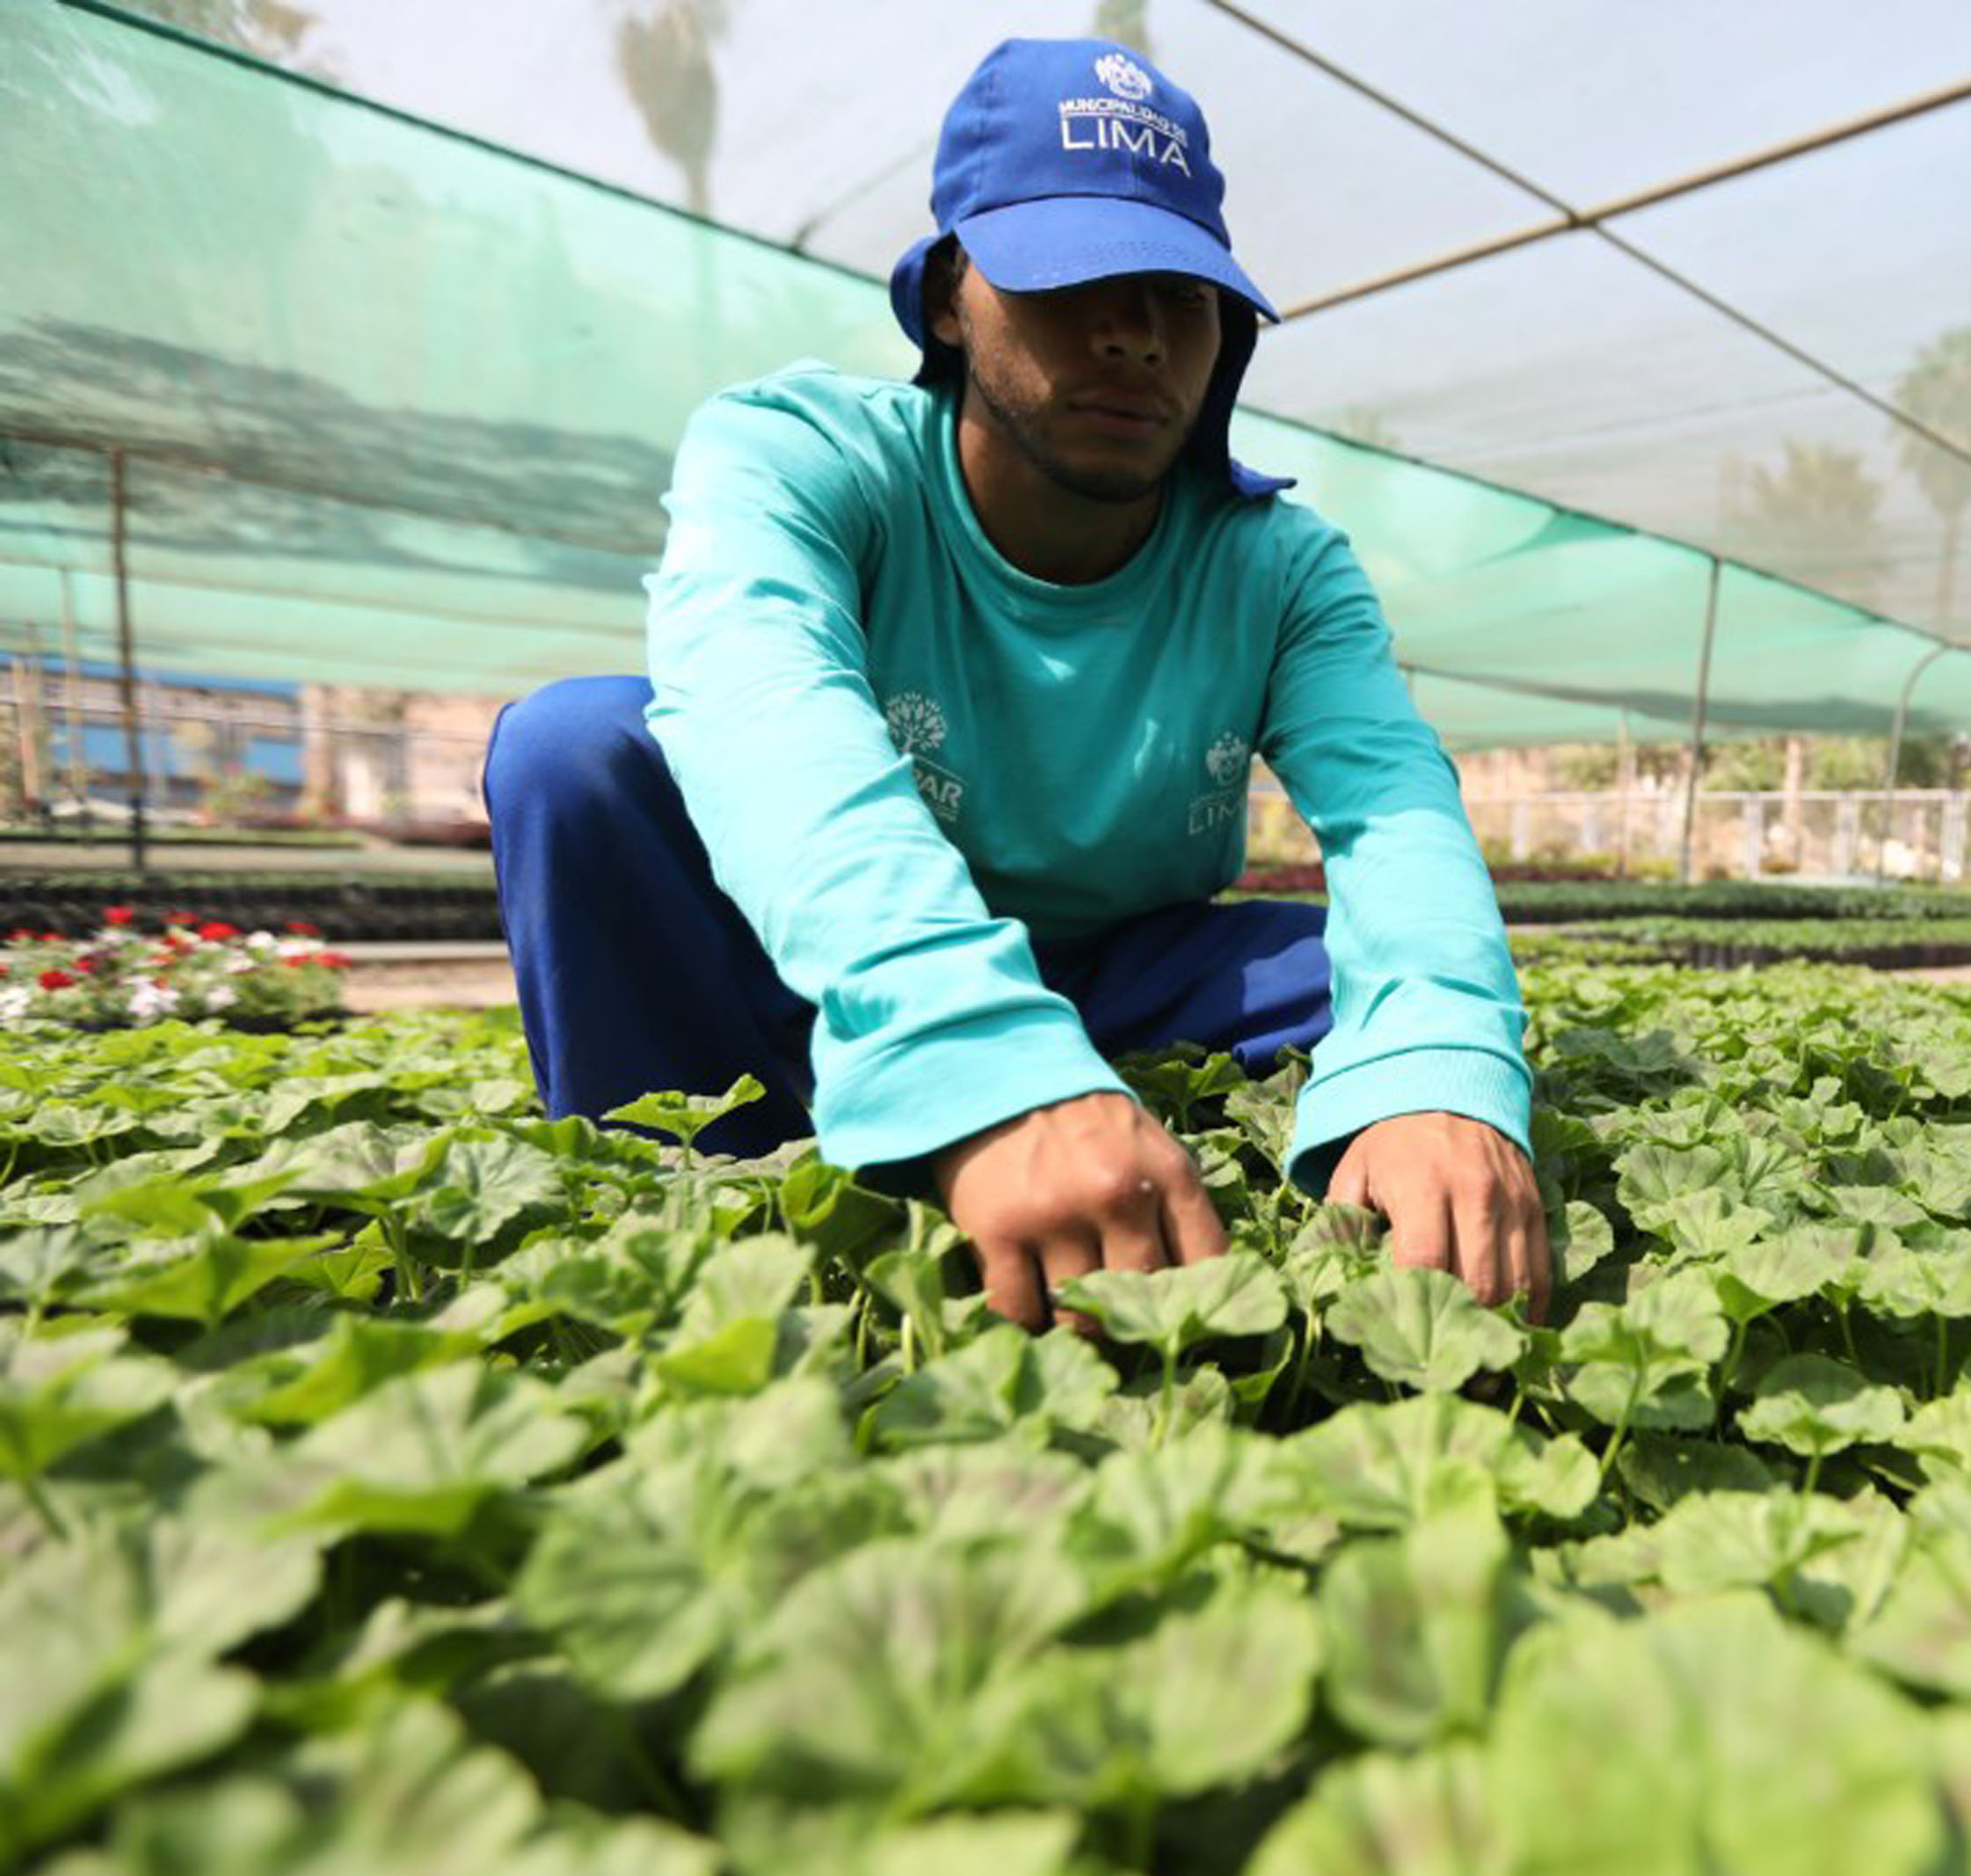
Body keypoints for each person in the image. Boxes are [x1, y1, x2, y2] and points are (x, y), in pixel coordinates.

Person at [484, 36, 1547, 1328]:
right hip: (821, 951)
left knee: (1398, 963)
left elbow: (1395, 810)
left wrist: (1433, 1067)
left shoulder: (1280, 565)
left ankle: (1046, 1072)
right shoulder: (801, 457)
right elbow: (768, 715)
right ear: (945, 297)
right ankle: (690, 1183)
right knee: (575, 753)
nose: (1134, 337)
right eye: (1070, 276)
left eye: (1182, 294)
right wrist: (973, 1060)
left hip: (1122, 959)